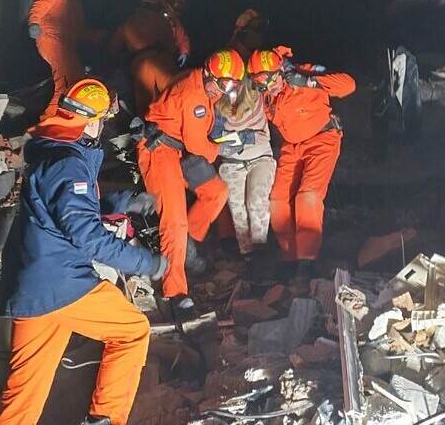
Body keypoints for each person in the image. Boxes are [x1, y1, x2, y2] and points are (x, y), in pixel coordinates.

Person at [0, 78, 167, 425]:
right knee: (132, 331)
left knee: (24, 395)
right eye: (103, 119)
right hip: (63, 282)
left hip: (32, 285)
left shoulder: (55, 151)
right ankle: (104, 420)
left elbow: (68, 208)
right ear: (91, 120)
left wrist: (124, 201)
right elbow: (86, 235)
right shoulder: (67, 163)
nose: (103, 126)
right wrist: (146, 262)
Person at [136, 49, 244, 316]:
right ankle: (175, 292)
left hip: (179, 149)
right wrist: (226, 149)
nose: (224, 90)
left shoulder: (205, 87)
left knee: (216, 192)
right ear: (209, 74)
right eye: (222, 84)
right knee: (174, 221)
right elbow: (199, 146)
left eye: (231, 86)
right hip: (160, 152)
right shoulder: (193, 93)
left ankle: (188, 246)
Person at [247, 47, 356, 280]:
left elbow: (348, 85)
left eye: (269, 80)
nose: (267, 87)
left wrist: (309, 82)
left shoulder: (303, 73)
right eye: (259, 83)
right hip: (292, 146)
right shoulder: (266, 94)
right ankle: (290, 256)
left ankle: (307, 261)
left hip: (322, 138)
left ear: (280, 71)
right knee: (277, 199)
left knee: (307, 196)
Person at [28, 0, 105, 121]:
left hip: (67, 47)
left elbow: (78, 31)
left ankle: (65, 120)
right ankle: (47, 123)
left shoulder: (76, 4)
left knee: (78, 83)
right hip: (51, 39)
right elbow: (39, 6)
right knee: (66, 85)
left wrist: (99, 36)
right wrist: (34, 23)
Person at [213, 78, 276, 271]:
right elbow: (214, 137)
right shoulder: (216, 105)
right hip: (232, 162)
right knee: (237, 207)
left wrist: (240, 138)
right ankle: (247, 255)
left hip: (260, 157)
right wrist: (244, 137)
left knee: (256, 201)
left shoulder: (256, 96)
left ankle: (261, 250)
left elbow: (262, 136)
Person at [108, 0, 179, 117]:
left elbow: (113, 48)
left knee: (145, 110)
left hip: (141, 66)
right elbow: (172, 47)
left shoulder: (130, 20)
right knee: (171, 102)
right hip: (164, 64)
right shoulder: (164, 22)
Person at [164, 0, 191, 68]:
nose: (177, 6)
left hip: (169, 57)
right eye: (175, 3)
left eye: (180, 4)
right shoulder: (156, 17)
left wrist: (184, 52)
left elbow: (183, 38)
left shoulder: (176, 23)